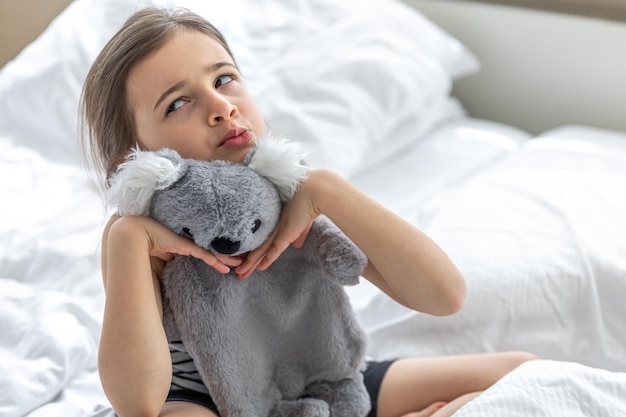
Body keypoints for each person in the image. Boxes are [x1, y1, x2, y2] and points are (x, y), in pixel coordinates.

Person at [81, 7, 536, 417]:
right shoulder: (138, 235)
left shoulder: (295, 193)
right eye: (179, 103)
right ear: (133, 156)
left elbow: (445, 295)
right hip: (208, 401)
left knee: (523, 372)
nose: (222, 107)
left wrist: (329, 189)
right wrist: (127, 242)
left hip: (316, 383)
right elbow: (136, 403)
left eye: (223, 80)